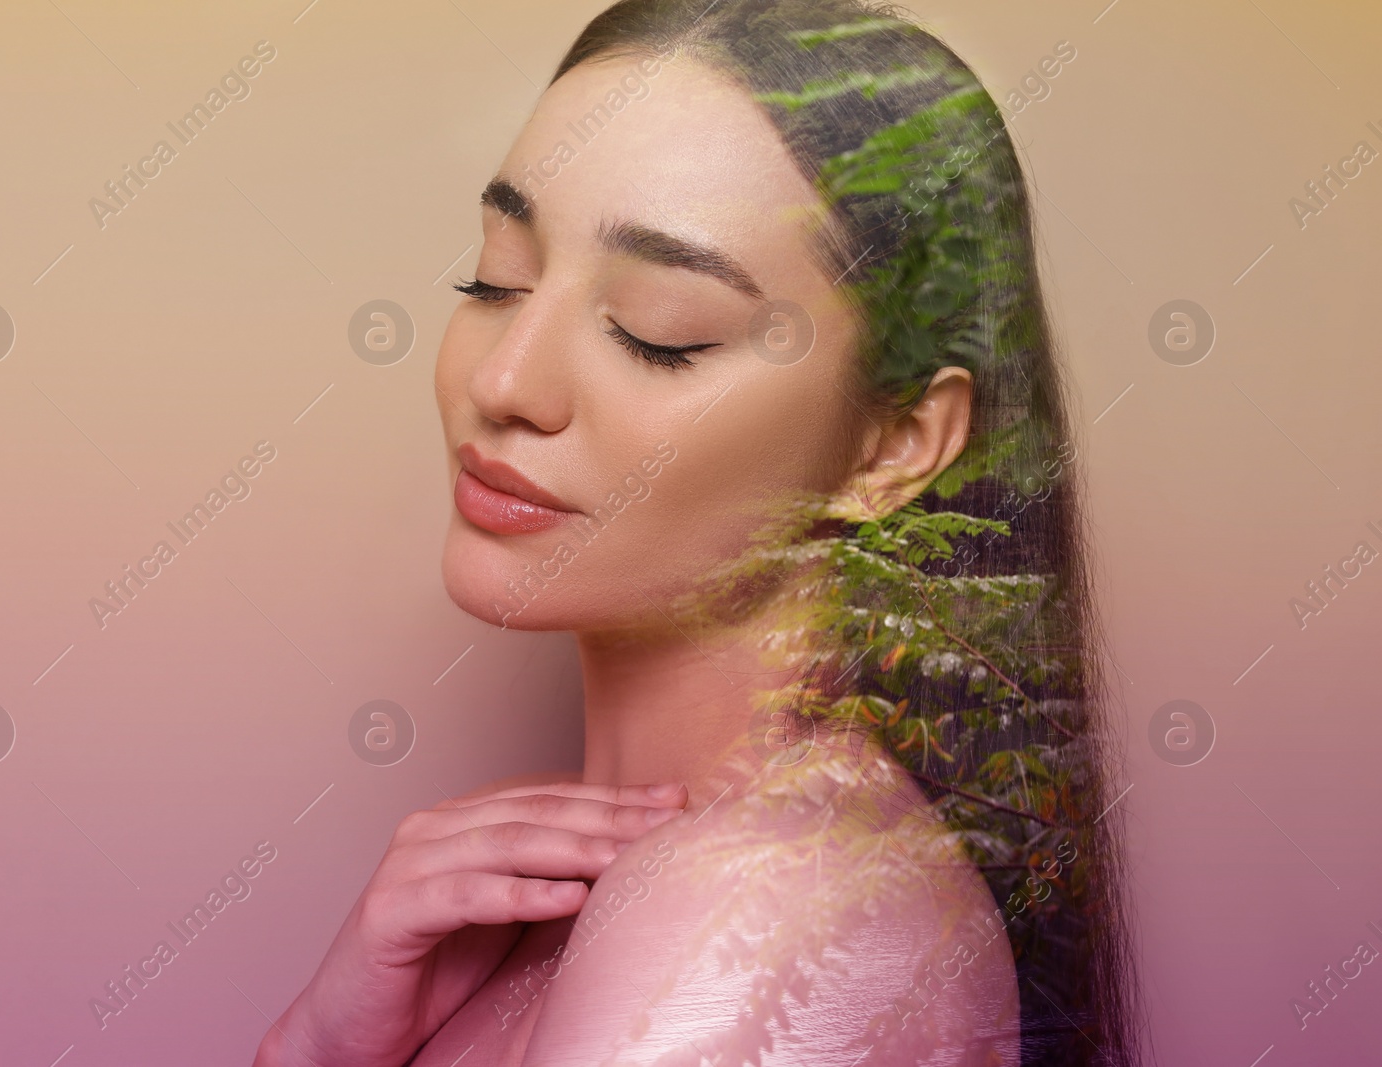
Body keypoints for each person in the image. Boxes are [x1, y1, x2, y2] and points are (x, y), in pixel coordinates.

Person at [256, 2, 1138, 1064]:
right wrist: (322, 1038)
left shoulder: (767, 910)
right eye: (496, 277)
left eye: (656, 330)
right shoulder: (618, 890)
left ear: (894, 443)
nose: (502, 382)